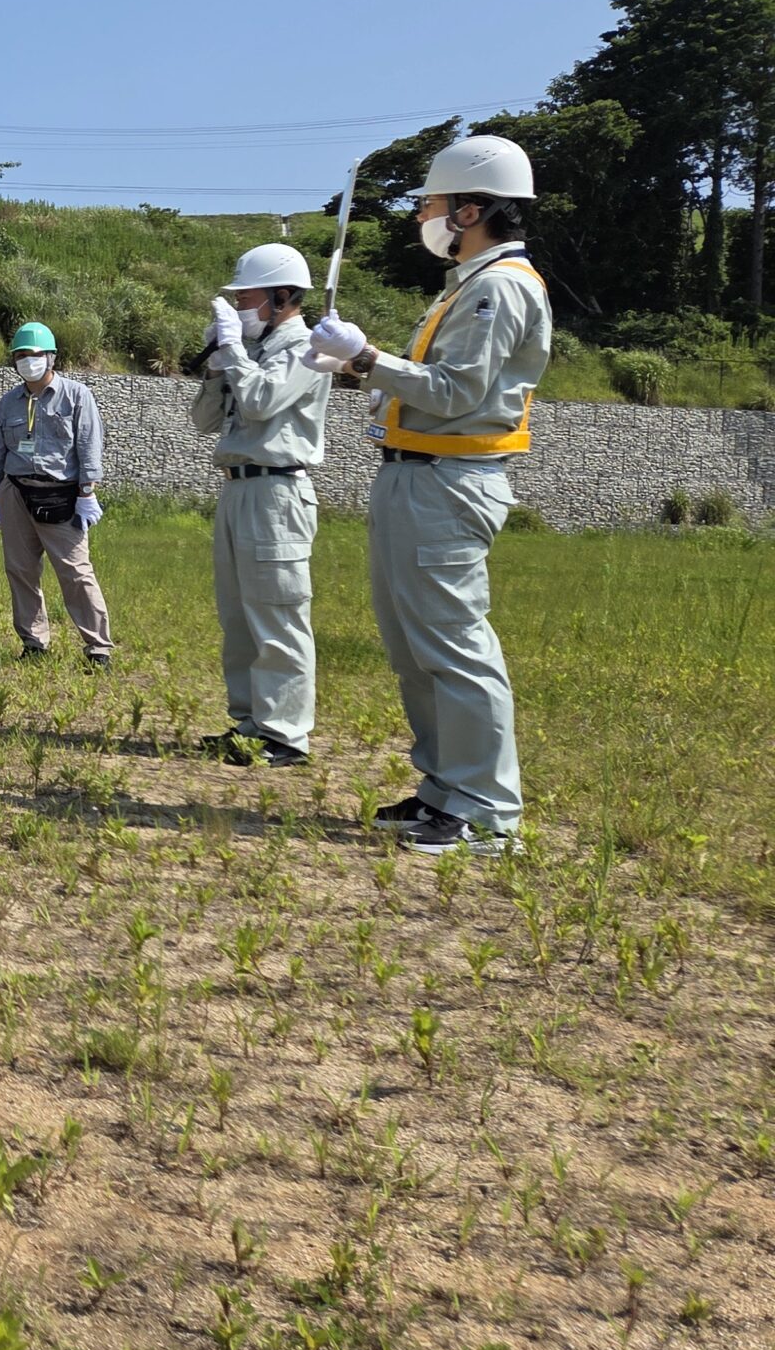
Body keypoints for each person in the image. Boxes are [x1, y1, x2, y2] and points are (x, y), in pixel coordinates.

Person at [310, 134, 550, 857]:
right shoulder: (468, 285)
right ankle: (445, 790)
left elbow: (456, 393)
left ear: (472, 209)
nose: (422, 216)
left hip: (448, 481)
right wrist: (357, 370)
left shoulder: (501, 287)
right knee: (415, 646)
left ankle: (486, 809)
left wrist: (366, 357)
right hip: (416, 475)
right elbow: (431, 387)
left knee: (453, 643)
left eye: (432, 204)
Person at [190, 244, 332, 767]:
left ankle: (286, 733)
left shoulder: (307, 347)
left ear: (282, 295)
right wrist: (217, 365)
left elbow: (261, 401)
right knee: (240, 616)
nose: (239, 306)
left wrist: (233, 351)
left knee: (277, 613)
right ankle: (252, 721)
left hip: (277, 491)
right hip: (238, 487)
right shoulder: (253, 350)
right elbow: (204, 421)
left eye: (246, 297)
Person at [0, 321, 112, 668]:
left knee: (76, 572)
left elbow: (89, 446)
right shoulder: (9, 403)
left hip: (62, 496)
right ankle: (34, 642)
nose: (28, 360)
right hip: (16, 493)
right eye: (21, 355)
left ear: (51, 357)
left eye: (35, 354)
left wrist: (87, 492)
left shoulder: (76, 396)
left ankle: (98, 647)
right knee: (20, 570)